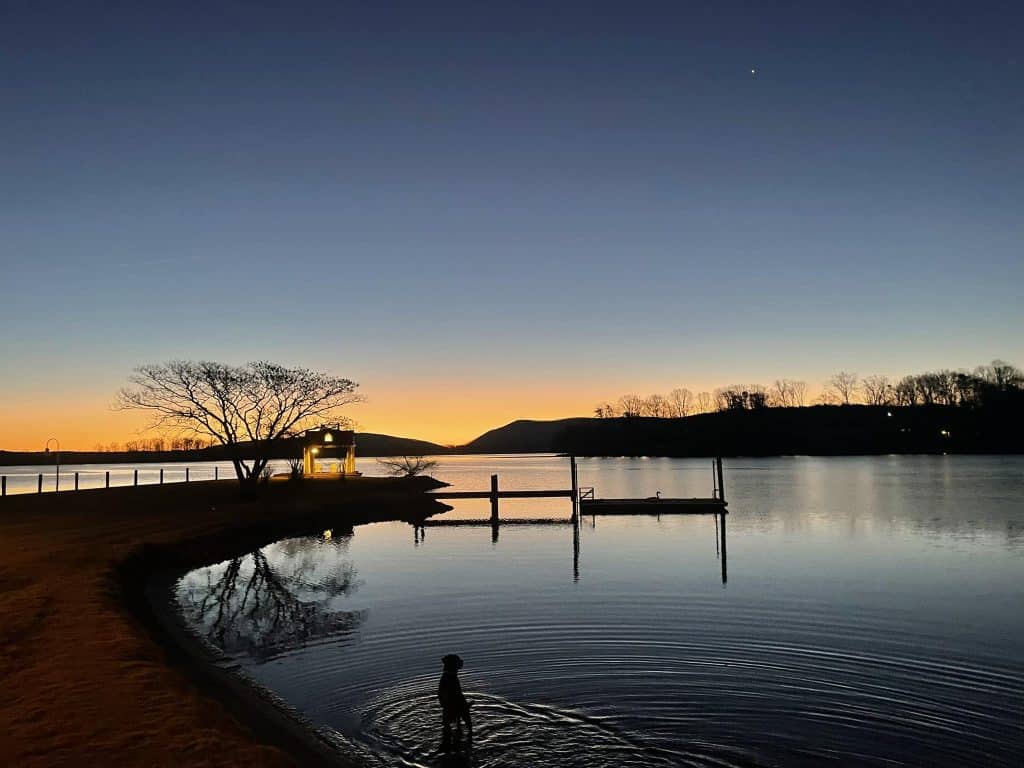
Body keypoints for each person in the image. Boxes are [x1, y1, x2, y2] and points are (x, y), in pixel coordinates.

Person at [437, 653, 472, 742]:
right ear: (452, 665)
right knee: (469, 728)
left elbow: (441, 696)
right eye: (458, 662)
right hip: (455, 705)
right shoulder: (452, 678)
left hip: (449, 707)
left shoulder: (446, 677)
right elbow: (456, 695)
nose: (461, 662)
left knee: (447, 732)